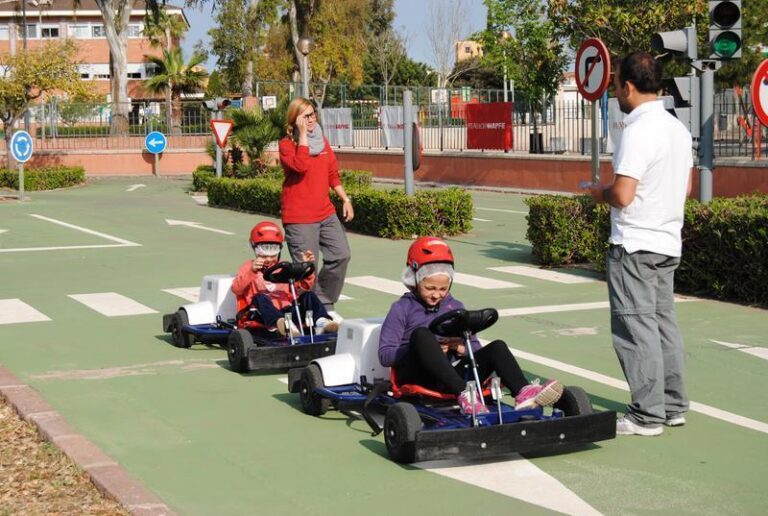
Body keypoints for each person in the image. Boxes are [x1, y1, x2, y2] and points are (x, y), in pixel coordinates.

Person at [588, 52, 692, 436]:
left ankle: (647, 415)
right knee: (664, 325)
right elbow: (687, 188)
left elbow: (624, 194)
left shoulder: (637, 130)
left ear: (627, 87)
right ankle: (673, 405)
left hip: (634, 243)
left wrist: (599, 193)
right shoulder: (677, 129)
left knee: (635, 329)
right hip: (667, 241)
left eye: (616, 84)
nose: (616, 90)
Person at [378, 236, 563, 415]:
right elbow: (385, 355)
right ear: (414, 280)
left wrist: (458, 348)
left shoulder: (455, 307)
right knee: (422, 335)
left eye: (442, 289)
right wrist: (425, 348)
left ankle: (523, 392)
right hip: (418, 375)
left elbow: (475, 347)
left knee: (497, 347)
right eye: (430, 288)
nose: (436, 295)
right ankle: (464, 395)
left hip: (451, 376)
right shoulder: (402, 308)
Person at [279, 97, 353, 320]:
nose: (311, 120)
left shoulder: (322, 142)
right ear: (295, 119)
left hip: (325, 212)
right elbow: (300, 166)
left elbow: (332, 174)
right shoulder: (286, 145)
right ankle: (304, 313)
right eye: (305, 116)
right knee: (306, 268)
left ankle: (324, 301)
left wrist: (345, 199)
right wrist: (302, 136)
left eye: (313, 115)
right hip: (300, 217)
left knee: (341, 255)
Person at [231, 221, 339, 337]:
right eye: (264, 255)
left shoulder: (283, 267)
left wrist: (306, 270)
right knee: (261, 297)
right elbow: (236, 289)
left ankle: (322, 321)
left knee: (309, 295)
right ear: (255, 249)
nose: (268, 259)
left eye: (272, 256)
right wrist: (252, 271)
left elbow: (302, 287)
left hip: (287, 312)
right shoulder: (249, 266)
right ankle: (282, 324)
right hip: (260, 315)